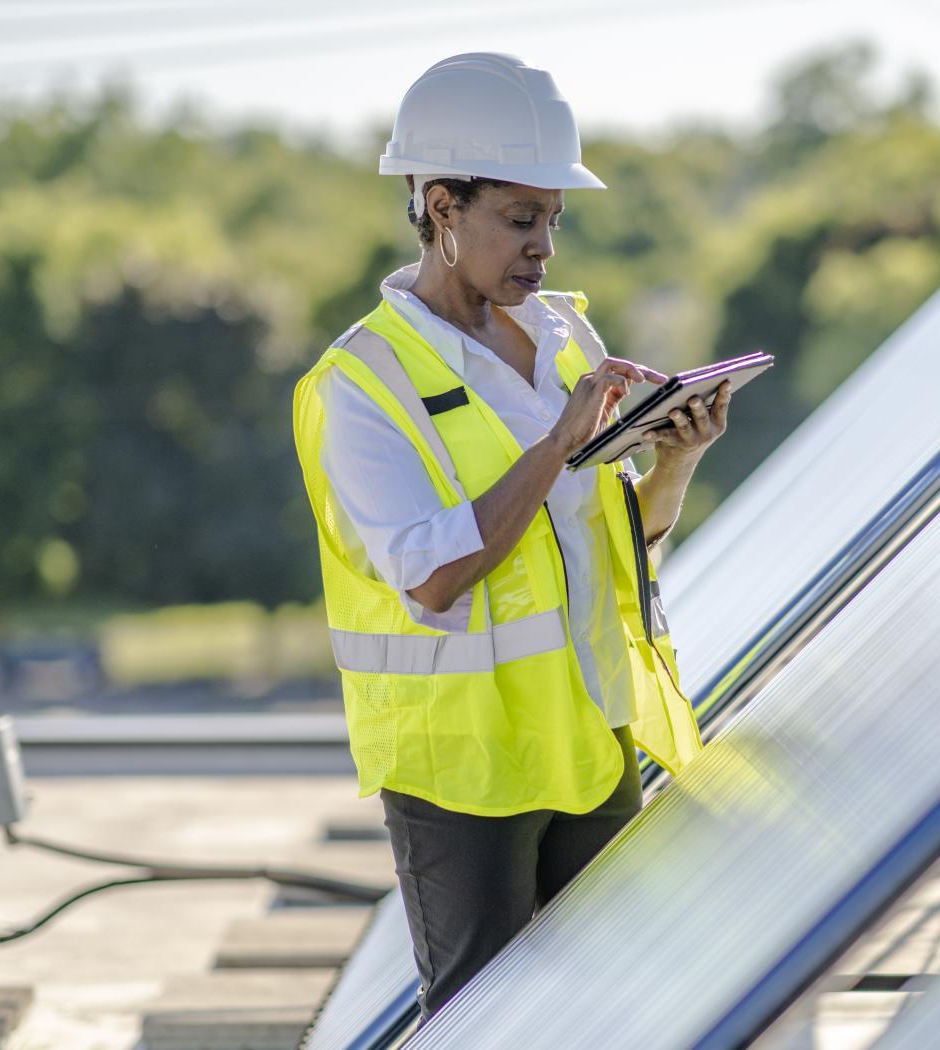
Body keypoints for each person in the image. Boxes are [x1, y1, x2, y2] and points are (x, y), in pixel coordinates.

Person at [290, 53, 727, 1023]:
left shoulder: (566, 339)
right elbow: (436, 575)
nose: (544, 248)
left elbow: (618, 543)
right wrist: (557, 444)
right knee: (484, 1023)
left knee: (611, 1014)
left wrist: (673, 463)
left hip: (591, 738)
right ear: (441, 206)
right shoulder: (358, 386)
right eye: (520, 219)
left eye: (553, 221)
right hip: (464, 771)